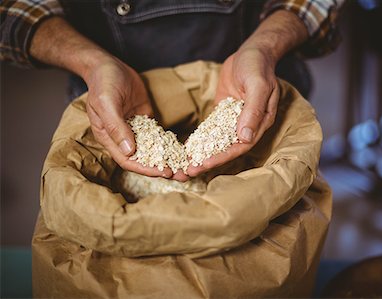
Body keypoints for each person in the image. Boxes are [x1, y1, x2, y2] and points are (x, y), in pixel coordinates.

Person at [1, 0, 344, 181]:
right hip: (114, 104)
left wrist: (265, 47)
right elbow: (13, 9)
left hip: (257, 96)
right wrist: (93, 64)